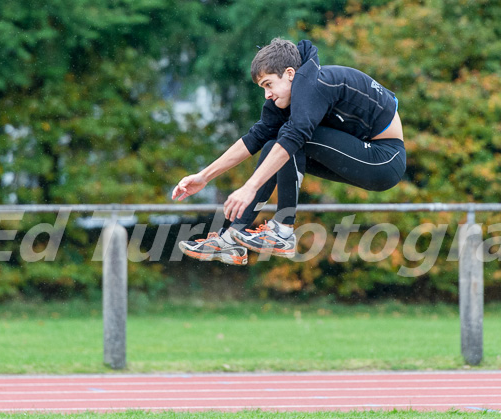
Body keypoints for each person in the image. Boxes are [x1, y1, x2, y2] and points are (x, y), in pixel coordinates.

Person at [172, 38, 405, 265]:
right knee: (276, 143)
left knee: (289, 139)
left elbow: (294, 138)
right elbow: (254, 138)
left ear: (290, 74)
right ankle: (230, 239)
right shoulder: (287, 98)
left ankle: (282, 230)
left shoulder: (314, 84)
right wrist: (204, 176)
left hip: (385, 160)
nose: (267, 95)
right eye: (263, 88)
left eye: (269, 85)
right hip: (362, 154)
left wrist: (249, 187)